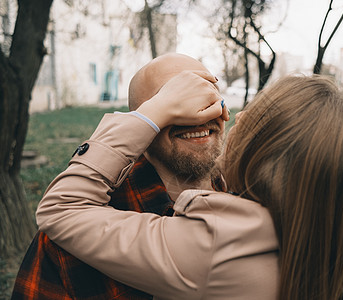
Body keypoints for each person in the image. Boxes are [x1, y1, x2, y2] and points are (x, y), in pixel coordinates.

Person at [36, 74, 343, 300]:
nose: (216, 116)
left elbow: (60, 208)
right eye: (176, 104)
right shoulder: (324, 235)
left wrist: (151, 112)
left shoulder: (220, 240)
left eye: (247, 117)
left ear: (264, 155)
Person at [12, 53, 228, 299]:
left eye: (205, 96)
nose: (197, 116)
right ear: (142, 123)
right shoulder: (75, 231)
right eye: (173, 103)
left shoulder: (253, 194)